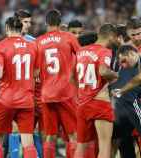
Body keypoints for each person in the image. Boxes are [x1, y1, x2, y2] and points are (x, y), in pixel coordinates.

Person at [0, 16, 38, 158]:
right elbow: (36, 72)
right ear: (21, 28)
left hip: (6, 99)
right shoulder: (32, 46)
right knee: (28, 142)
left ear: (7, 28)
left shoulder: (1, 46)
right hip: (27, 99)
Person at [36, 9, 80, 158]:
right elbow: (81, 58)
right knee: (73, 135)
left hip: (47, 94)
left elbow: (35, 71)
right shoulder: (68, 37)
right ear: (60, 23)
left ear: (46, 23)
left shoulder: (38, 41)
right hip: (66, 92)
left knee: (50, 136)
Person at [74, 23, 118, 158]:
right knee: (104, 146)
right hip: (100, 103)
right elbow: (103, 71)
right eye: (115, 38)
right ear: (110, 36)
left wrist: (82, 92)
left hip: (82, 103)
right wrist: (116, 76)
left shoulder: (81, 51)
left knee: (81, 146)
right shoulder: (105, 51)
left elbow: (72, 77)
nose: (116, 41)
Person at [110, 45, 141, 158]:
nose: (123, 65)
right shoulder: (122, 68)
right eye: (121, 62)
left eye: (124, 61)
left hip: (134, 106)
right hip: (123, 110)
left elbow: (138, 79)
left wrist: (122, 91)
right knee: (123, 142)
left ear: (132, 54)